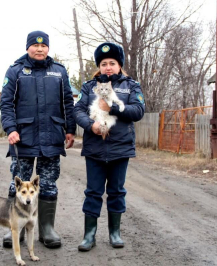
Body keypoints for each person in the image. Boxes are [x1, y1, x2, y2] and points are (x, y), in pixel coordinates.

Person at [0, 30, 76, 249]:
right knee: (18, 183)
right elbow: (6, 103)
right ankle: (15, 229)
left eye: (44, 46)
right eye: (35, 46)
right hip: (22, 137)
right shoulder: (15, 70)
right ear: (28, 48)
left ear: (48, 48)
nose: (40, 49)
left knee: (49, 183)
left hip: (52, 136)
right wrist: (10, 129)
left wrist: (70, 129)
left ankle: (47, 230)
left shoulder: (59, 72)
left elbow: (67, 104)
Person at [73, 42, 145, 251]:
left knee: (116, 191)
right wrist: (90, 124)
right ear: (99, 66)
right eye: (104, 63)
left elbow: (138, 110)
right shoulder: (89, 86)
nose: (108, 67)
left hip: (120, 149)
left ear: (119, 65)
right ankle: (89, 235)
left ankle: (115, 233)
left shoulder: (131, 85)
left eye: (112, 63)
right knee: (93, 192)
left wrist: (113, 108)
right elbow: (78, 111)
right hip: (95, 149)